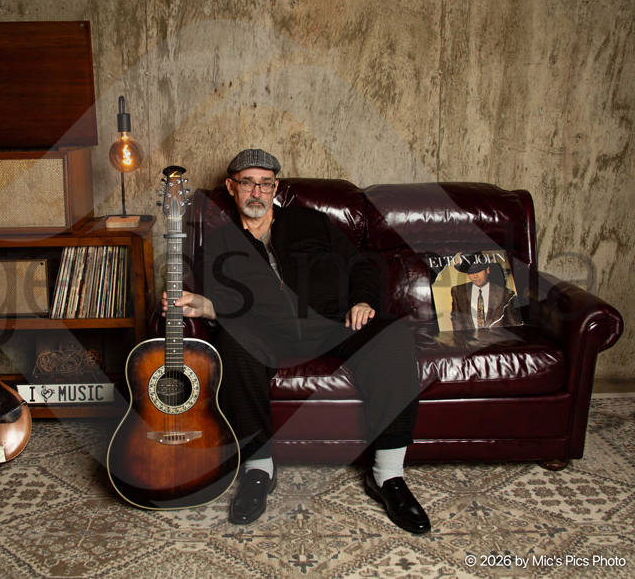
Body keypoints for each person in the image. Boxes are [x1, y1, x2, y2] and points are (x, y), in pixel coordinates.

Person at [161, 149, 430, 533]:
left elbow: (360, 266)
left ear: (276, 188)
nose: (257, 192)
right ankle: (259, 470)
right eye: (248, 183)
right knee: (233, 344)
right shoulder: (218, 245)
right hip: (266, 330)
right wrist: (204, 306)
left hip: (335, 322)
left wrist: (363, 301)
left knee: (392, 335)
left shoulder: (311, 222)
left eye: (265, 183)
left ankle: (388, 476)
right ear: (231, 187)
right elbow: (225, 301)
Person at [450, 261, 521, 330]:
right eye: (471, 272)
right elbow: (457, 320)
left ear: (487, 270)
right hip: (468, 338)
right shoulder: (458, 291)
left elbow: (514, 325)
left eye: (478, 271)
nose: (475, 276)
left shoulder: (507, 294)